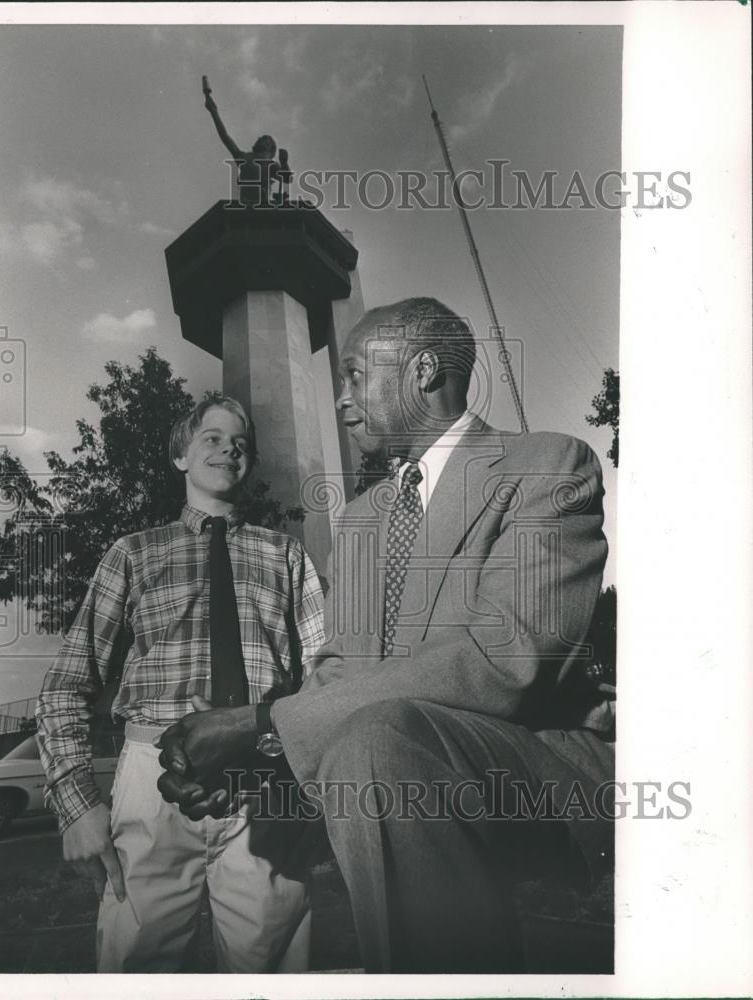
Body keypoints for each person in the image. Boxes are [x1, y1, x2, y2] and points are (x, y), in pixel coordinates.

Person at [156, 299, 616, 973]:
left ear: (423, 370)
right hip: (388, 765)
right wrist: (253, 755)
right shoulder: (365, 518)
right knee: (370, 743)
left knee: (376, 741)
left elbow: (506, 656)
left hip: (538, 766)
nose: (340, 399)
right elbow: (342, 675)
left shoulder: (545, 466)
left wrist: (259, 719)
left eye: (352, 375)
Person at [35, 392, 325, 973]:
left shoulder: (287, 556)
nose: (228, 449)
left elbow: (322, 680)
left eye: (240, 443)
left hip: (262, 776)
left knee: (266, 962)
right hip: (152, 777)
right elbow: (66, 684)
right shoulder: (133, 555)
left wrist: (304, 777)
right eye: (211, 439)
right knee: (135, 961)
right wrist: (76, 805)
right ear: (181, 458)